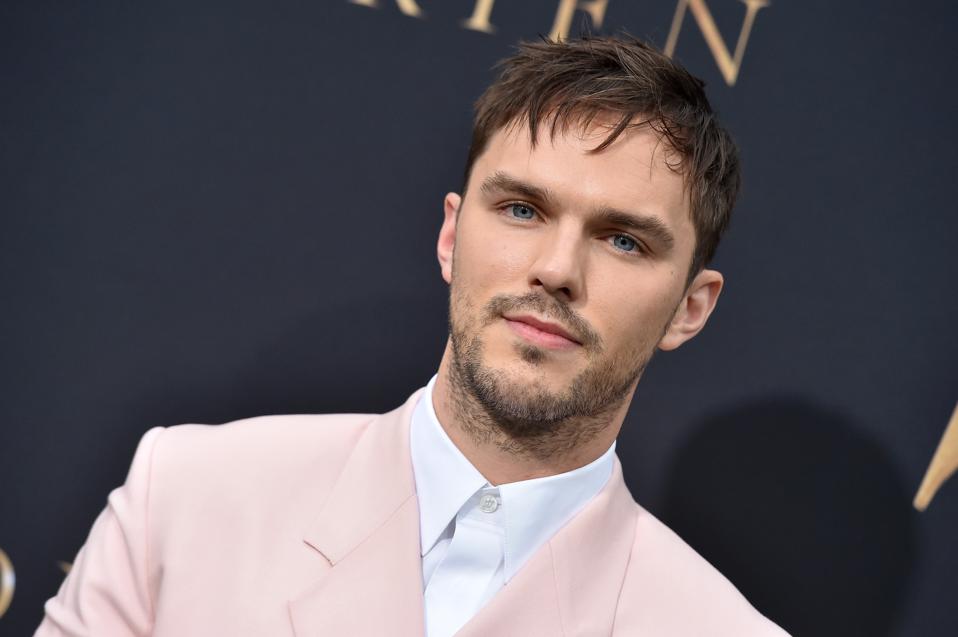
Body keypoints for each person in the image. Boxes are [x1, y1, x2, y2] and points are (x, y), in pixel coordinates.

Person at [35, 34, 788, 636]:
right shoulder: (185, 496)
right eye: (522, 210)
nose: (557, 270)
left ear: (690, 308)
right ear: (451, 236)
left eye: (623, 240)